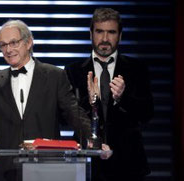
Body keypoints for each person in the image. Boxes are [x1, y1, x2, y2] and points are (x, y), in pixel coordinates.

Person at [0, 20, 93, 181]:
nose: (8, 50)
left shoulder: (54, 75)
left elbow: (73, 113)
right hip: (7, 171)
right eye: (3, 45)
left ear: (29, 42)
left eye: (14, 43)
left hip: (47, 169)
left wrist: (92, 138)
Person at [65, 8, 154, 181]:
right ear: (90, 34)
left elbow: (147, 114)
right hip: (86, 163)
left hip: (128, 165)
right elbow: (64, 117)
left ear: (120, 36)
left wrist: (122, 97)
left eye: (111, 32)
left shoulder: (136, 69)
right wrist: (89, 100)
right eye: (99, 31)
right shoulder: (73, 71)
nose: (105, 39)